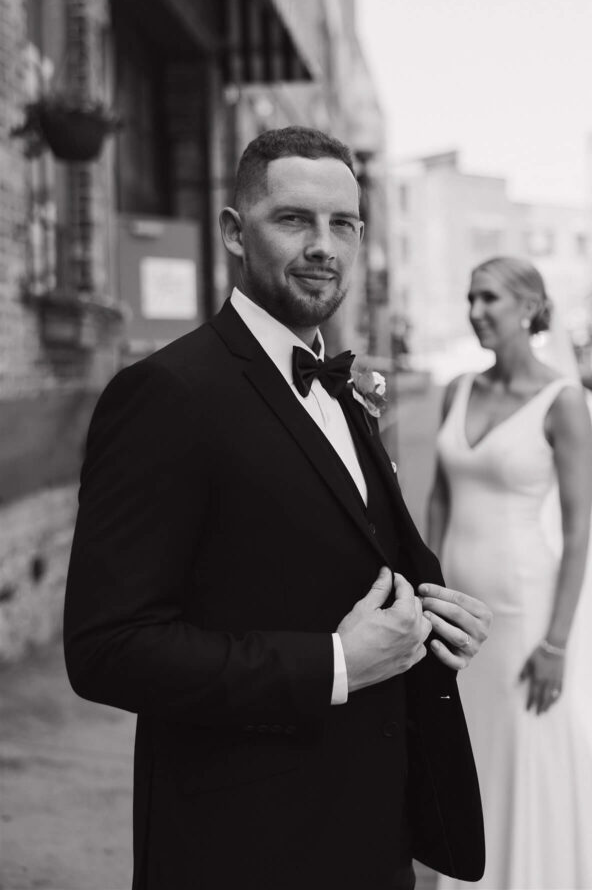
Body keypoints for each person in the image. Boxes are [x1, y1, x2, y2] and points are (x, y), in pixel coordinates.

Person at [63, 126, 492, 890]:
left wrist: (429, 620)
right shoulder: (166, 395)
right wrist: (332, 663)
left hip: (370, 829)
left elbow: (338, 555)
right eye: (293, 219)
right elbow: (107, 649)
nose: (323, 245)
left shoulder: (342, 385)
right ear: (234, 232)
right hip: (245, 843)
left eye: (343, 224)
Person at [429, 255, 592, 890]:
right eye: (470, 299)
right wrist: (428, 593)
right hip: (455, 608)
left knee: (525, 749)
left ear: (529, 308)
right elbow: (438, 499)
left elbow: (578, 531)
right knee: (465, 744)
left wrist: (556, 642)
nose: (476, 312)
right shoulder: (456, 390)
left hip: (522, 613)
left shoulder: (562, 403)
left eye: (488, 299)